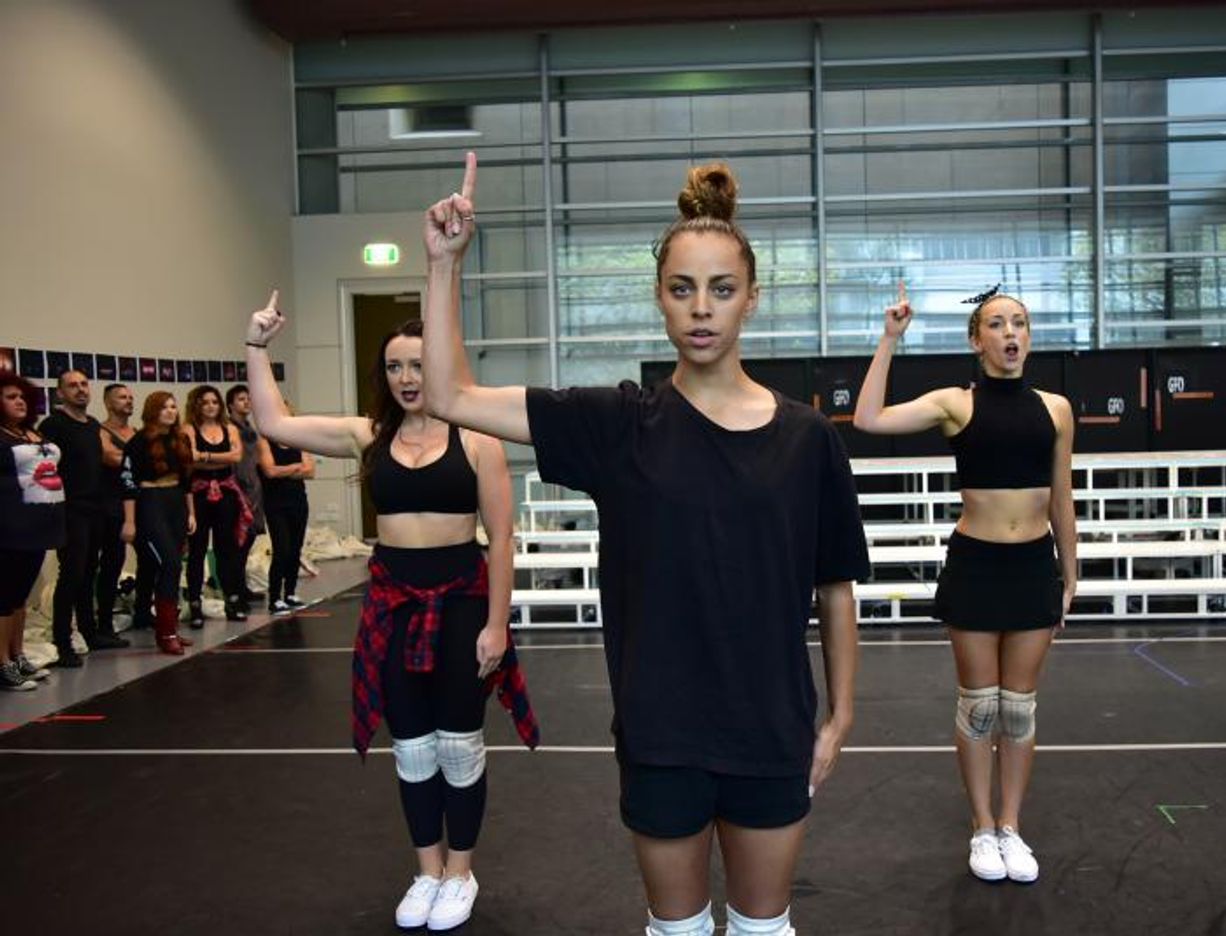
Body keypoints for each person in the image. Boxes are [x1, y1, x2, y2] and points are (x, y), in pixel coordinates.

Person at [421, 155, 868, 936]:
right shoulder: (618, 426)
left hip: (771, 730)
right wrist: (442, 267)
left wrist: (840, 717)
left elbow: (835, 585)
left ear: (752, 300)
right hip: (662, 733)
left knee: (765, 931)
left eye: (721, 290)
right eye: (682, 289)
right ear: (660, 299)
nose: (702, 309)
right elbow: (450, 395)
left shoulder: (808, 439)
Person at [244, 304, 519, 932]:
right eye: (394, 366)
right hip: (393, 608)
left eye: (418, 365)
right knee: (414, 750)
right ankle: (427, 869)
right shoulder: (369, 435)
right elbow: (272, 420)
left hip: (461, 607)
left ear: (440, 368)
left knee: (458, 746)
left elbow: (501, 538)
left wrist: (496, 624)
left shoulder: (476, 437)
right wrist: (255, 346)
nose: (406, 377)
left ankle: (460, 871)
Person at [853, 283, 1077, 885]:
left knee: (1019, 712)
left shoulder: (1055, 408)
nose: (1011, 333)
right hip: (977, 566)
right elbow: (868, 418)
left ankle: (1011, 827)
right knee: (980, 709)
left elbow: (1062, 494)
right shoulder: (956, 402)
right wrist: (889, 339)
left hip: (1033, 567)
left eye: (1020, 323)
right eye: (998, 324)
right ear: (976, 339)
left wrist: (1070, 573)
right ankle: (981, 828)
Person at [40, 369, 128, 664]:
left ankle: (90, 632)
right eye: (72, 386)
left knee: (89, 573)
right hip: (69, 509)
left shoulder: (92, 425)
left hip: (96, 509)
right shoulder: (53, 424)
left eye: (83, 384)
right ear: (60, 393)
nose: (80, 390)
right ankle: (62, 641)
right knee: (72, 575)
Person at [0, 373, 63, 690]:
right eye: (11, 397)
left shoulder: (29, 433)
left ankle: (18, 653)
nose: (19, 401)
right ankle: (3, 663)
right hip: (10, 525)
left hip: (39, 524)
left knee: (21, 596)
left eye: (22, 396)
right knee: (4, 596)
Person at [128, 392, 196, 655]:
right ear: (152, 411)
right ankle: (165, 632)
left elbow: (188, 480)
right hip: (150, 500)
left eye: (173, 406)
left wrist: (191, 513)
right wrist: (131, 521)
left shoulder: (181, 439)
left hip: (176, 501)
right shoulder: (139, 441)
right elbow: (128, 483)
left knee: (176, 564)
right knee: (169, 563)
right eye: (164, 407)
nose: (170, 411)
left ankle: (171, 628)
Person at [182, 385, 251, 625]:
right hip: (199, 493)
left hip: (226, 492)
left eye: (214, 402)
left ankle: (232, 601)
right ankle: (195, 604)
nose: (211, 406)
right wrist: (204, 458)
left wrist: (206, 457)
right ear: (196, 406)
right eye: (205, 402)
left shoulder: (229, 428)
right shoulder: (188, 429)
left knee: (227, 549)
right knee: (197, 550)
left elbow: (236, 457)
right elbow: (190, 459)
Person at [256, 402, 314, 614]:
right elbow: (269, 471)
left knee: (295, 548)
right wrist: (295, 468)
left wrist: (285, 470)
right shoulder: (264, 441)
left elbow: (310, 471)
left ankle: (290, 592)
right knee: (282, 549)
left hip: (298, 500)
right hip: (275, 503)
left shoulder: (299, 441)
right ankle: (274, 598)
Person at [95, 383, 137, 644]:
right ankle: (103, 625)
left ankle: (143, 611)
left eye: (131, 397)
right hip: (108, 505)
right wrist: (139, 459)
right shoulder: (101, 430)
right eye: (122, 397)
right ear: (109, 402)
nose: (129, 401)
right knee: (109, 565)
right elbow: (110, 457)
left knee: (128, 562)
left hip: (133, 503)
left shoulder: (136, 432)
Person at [226, 384, 266, 609]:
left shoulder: (249, 427)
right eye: (241, 399)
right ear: (231, 404)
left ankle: (241, 587)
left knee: (248, 541)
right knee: (237, 544)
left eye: (248, 399)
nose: (246, 402)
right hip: (239, 487)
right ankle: (235, 591)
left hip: (254, 487)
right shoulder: (230, 428)